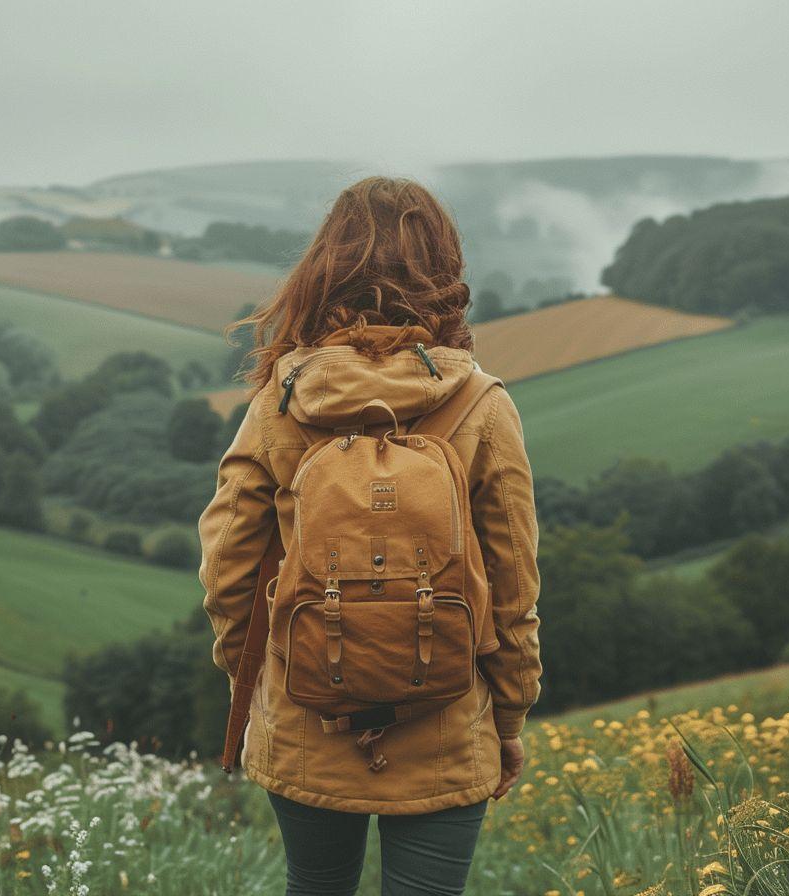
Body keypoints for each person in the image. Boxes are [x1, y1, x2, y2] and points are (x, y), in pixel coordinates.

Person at [198, 176, 541, 896]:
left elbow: (228, 568)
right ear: (446, 274)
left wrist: (256, 679)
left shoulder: (281, 402)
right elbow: (513, 589)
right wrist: (507, 714)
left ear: (324, 270)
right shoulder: (482, 404)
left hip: (305, 715)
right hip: (448, 719)